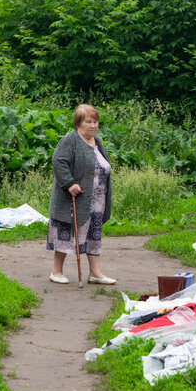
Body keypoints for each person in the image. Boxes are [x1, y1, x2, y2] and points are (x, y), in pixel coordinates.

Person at [47, 104, 116, 286]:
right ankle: (56, 271)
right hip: (75, 198)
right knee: (68, 233)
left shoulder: (97, 141)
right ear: (78, 123)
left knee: (94, 234)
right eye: (88, 122)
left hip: (97, 199)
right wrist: (69, 183)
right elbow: (58, 162)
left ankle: (95, 273)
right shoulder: (70, 140)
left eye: (95, 122)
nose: (93, 125)